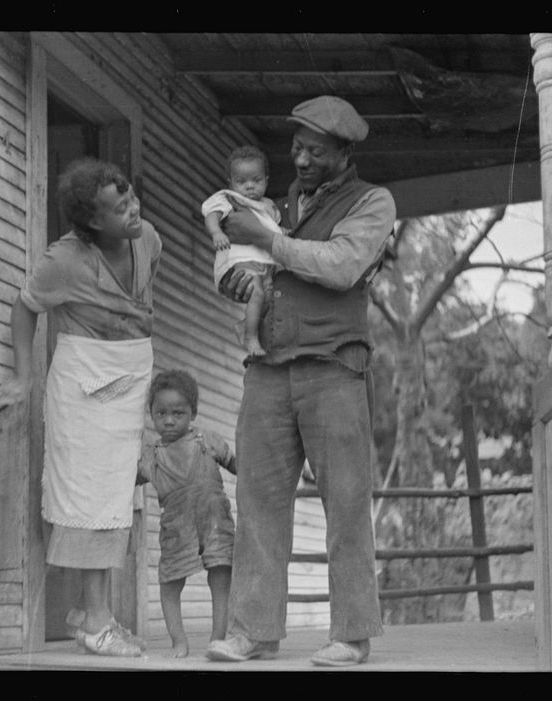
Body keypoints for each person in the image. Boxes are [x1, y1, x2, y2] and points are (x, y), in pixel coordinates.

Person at [205, 96, 397, 667]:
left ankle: (352, 635)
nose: (302, 158)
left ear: (345, 152)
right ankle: (253, 632)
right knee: (257, 498)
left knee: (344, 502)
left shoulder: (373, 202)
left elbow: (341, 266)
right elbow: (267, 262)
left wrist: (267, 241)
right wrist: (239, 279)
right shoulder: (282, 200)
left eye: (316, 150)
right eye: (296, 147)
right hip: (269, 367)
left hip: (335, 365)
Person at [0, 157, 161, 657]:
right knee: (91, 499)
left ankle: (94, 613)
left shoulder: (147, 238)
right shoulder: (64, 260)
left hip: (130, 376)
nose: (133, 210)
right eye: (119, 207)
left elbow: (143, 294)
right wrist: (24, 378)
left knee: (119, 498)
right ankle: (96, 622)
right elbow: (24, 308)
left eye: (131, 197)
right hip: (85, 381)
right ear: (92, 222)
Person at [136, 369, 237, 657]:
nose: (169, 420)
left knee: (220, 577)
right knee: (170, 583)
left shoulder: (209, 441)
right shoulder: (151, 455)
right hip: (176, 530)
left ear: (193, 412)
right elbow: (127, 478)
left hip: (214, 522)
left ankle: (218, 638)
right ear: (151, 413)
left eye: (178, 413)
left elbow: (238, 465)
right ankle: (178, 641)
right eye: (161, 413)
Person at [202, 145, 286, 357]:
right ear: (231, 183)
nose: (249, 187)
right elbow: (212, 214)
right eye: (241, 182)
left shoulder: (269, 206)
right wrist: (216, 233)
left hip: (263, 264)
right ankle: (251, 338)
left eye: (256, 181)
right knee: (258, 292)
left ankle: (244, 326)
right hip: (239, 261)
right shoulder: (230, 198)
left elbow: (275, 230)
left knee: (269, 298)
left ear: (266, 180)